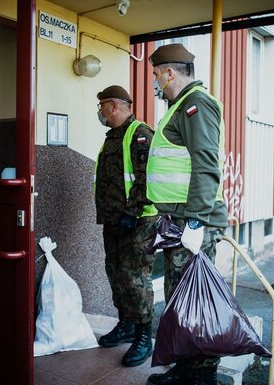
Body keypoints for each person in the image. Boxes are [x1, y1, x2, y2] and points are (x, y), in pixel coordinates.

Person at [145, 44, 229, 385]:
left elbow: (207, 165)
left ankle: (201, 375)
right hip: (178, 221)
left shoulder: (197, 105)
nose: (155, 82)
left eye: (156, 75)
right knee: (181, 298)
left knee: (196, 300)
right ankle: (185, 368)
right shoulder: (180, 106)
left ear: (169, 73)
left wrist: (195, 222)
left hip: (193, 223)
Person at [94, 85, 158, 367]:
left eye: (102, 107)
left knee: (135, 277)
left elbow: (146, 177)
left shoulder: (140, 134)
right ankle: (126, 324)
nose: (100, 113)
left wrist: (130, 213)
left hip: (138, 221)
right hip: (113, 220)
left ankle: (144, 335)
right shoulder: (111, 138)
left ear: (113, 106)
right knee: (116, 274)